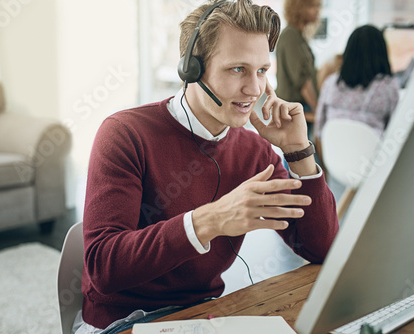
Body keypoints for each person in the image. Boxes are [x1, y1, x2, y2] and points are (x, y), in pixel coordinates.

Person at [75, 1, 339, 333]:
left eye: (261, 71)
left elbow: (321, 247)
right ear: (191, 70)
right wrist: (209, 221)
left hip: (204, 315)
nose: (254, 89)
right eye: (237, 69)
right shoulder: (125, 134)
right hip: (124, 321)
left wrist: (298, 150)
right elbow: (104, 267)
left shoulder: (254, 151)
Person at [314, 25, 400, 143]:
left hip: (332, 156)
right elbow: (395, 132)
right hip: (373, 157)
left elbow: (318, 129)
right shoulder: (388, 86)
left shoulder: (331, 83)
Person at [275, 0, 322, 122]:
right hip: (294, 108)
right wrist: (318, 111)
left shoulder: (298, 36)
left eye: (318, 6)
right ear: (298, 8)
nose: (317, 10)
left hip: (299, 107)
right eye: (312, 6)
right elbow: (303, 82)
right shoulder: (291, 36)